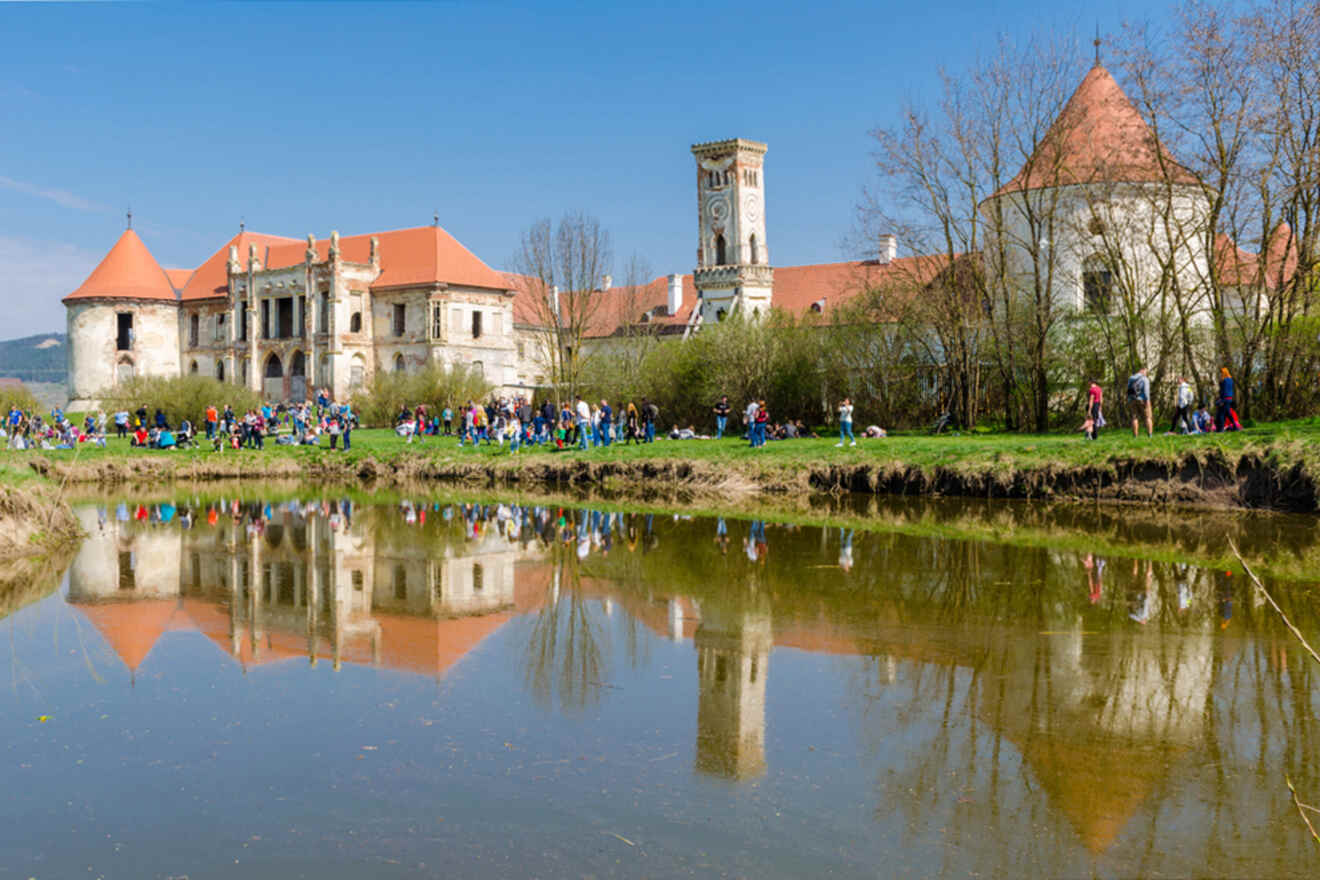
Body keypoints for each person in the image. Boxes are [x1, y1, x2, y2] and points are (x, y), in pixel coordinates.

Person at [1126, 366, 1152, 438]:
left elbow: (1128, 389)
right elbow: (1146, 391)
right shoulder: (1145, 379)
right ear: (1142, 370)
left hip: (1132, 399)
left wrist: (1129, 399)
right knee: (1148, 417)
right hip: (1142, 400)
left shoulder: (1131, 378)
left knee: (1134, 417)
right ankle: (1150, 435)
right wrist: (1147, 401)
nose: (1146, 373)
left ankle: (1135, 436)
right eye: (1146, 372)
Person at [1215, 367, 1242, 431]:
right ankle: (1235, 427)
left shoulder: (1224, 380)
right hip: (1229, 398)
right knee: (1228, 413)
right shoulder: (1230, 379)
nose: (1220, 374)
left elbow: (1224, 390)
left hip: (1225, 398)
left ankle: (1221, 429)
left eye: (1221, 373)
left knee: (1221, 414)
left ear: (1224, 373)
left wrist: (1221, 400)